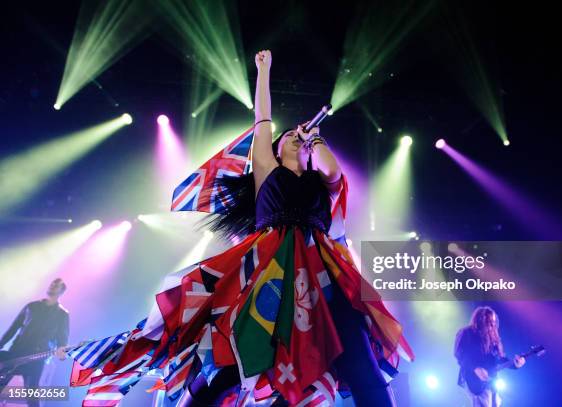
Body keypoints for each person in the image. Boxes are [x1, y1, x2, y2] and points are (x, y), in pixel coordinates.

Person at [69, 50, 413, 406]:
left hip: (323, 272)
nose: (296, 135)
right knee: (232, 361)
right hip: (270, 268)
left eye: (301, 136)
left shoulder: (319, 178)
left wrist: (315, 140)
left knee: (360, 364)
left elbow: (334, 173)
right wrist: (263, 71)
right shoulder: (268, 169)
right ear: (276, 149)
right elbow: (263, 118)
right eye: (289, 136)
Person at [0, 278, 69, 407]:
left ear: (61, 291)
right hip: (16, 352)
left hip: (36, 358)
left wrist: (61, 352)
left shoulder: (62, 314)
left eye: (56, 285)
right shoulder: (31, 306)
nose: (52, 286)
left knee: (32, 396)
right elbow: (12, 329)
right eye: (52, 283)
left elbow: (62, 339)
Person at [454, 306, 525, 407]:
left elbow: (499, 358)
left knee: (496, 404)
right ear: (480, 320)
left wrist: (516, 364)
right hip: (473, 379)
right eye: (489, 321)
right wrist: (476, 368)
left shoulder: (493, 337)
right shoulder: (467, 333)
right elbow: (461, 355)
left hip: (491, 379)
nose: (492, 324)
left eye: (493, 322)